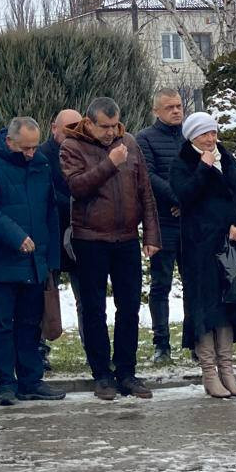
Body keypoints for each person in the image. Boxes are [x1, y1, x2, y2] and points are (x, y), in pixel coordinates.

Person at [60, 97, 161, 401]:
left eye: (114, 125)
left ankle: (127, 373)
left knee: (129, 308)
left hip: (126, 238)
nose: (110, 132)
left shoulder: (128, 141)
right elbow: (76, 187)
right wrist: (109, 164)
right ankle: (102, 374)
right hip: (90, 238)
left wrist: (151, 234)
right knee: (94, 309)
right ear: (89, 122)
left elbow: (145, 190)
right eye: (104, 126)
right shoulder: (71, 146)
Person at [0, 116, 66, 407]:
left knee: (29, 324)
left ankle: (30, 381)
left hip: (34, 261)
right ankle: (4, 385)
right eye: (25, 148)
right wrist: (16, 237)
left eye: (34, 147)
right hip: (1, 261)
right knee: (1, 324)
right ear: (9, 141)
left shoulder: (40, 164)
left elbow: (50, 211)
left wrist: (50, 256)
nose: (31, 153)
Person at [170, 112, 236, 398]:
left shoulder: (228, 158)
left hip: (230, 246)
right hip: (200, 248)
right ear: (191, 137)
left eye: (213, 133)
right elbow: (184, 196)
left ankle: (228, 371)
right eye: (204, 135)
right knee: (205, 307)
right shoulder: (182, 162)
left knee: (229, 305)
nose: (211, 139)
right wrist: (203, 169)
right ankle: (209, 373)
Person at [136, 89, 187, 363]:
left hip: (190, 224)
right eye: (170, 107)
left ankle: (194, 340)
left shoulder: (191, 136)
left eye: (179, 106)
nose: (177, 111)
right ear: (157, 111)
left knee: (194, 285)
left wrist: (189, 201)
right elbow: (148, 176)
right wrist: (178, 197)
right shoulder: (145, 138)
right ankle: (161, 343)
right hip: (162, 222)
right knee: (161, 285)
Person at [37, 108, 84, 365]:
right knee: (44, 296)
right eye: (68, 128)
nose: (73, 133)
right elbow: (45, 194)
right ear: (54, 128)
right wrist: (77, 202)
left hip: (80, 234)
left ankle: (92, 347)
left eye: (78, 127)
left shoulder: (86, 152)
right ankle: (39, 349)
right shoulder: (42, 156)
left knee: (86, 298)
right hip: (51, 235)